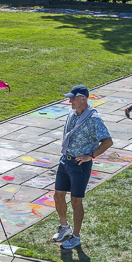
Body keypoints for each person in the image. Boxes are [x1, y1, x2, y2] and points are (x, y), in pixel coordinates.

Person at [52, 85, 113, 250]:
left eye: (72, 98)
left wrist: (91, 156)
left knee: (75, 201)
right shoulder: (71, 114)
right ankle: (64, 228)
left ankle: (76, 237)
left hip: (80, 165)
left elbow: (107, 141)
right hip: (66, 160)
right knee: (58, 195)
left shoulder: (94, 118)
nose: (69, 100)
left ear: (83, 99)